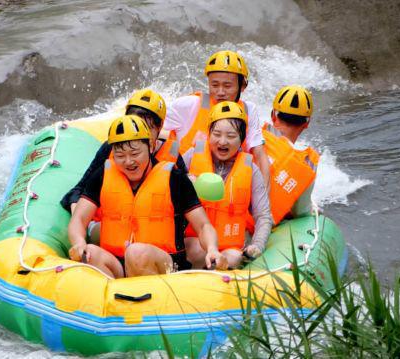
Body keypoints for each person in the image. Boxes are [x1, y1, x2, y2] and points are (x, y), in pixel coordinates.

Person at [68, 115, 227, 278]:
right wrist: (79, 243)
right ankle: (115, 298)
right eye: (120, 156)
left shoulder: (174, 178)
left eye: (135, 153)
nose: (128, 162)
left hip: (166, 265)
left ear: (150, 146)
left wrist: (212, 249)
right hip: (119, 265)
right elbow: (79, 219)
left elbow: (203, 225)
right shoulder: (103, 174)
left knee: (136, 253)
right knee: (91, 253)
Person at [61, 88, 185, 214]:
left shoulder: (172, 155)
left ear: (160, 126)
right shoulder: (111, 148)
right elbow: (79, 190)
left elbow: (186, 202)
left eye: (147, 128)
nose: (140, 134)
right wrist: (79, 219)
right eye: (135, 126)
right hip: (112, 224)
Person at [182, 101, 273, 269]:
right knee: (197, 250)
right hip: (195, 242)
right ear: (209, 134)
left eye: (231, 136)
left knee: (234, 258)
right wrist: (187, 181)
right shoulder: (191, 156)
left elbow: (263, 216)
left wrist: (257, 246)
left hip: (229, 247)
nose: (222, 142)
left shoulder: (251, 170)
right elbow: (168, 188)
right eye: (216, 134)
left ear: (242, 139)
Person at [162, 50, 271, 187]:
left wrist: (264, 200)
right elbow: (152, 125)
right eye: (214, 85)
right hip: (190, 190)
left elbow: (260, 156)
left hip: (230, 191)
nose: (220, 92)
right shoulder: (189, 105)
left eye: (227, 86)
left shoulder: (249, 111)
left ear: (243, 86)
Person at [263, 85, 320, 224]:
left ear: (273, 115)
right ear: (307, 123)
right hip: (256, 233)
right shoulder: (305, 166)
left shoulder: (249, 135)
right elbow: (301, 212)